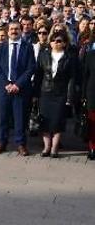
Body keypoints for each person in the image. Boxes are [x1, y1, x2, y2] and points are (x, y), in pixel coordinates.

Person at [0, 21, 36, 156]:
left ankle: (21, 144)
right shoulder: (1, 47)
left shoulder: (27, 47)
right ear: (7, 31)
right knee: (3, 116)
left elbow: (31, 68)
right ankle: (2, 142)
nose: (14, 31)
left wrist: (18, 84)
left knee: (20, 117)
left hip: (21, 88)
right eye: (11, 29)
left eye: (16, 29)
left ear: (21, 30)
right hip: (4, 87)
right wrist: (6, 83)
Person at [36, 30, 78, 158]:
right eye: (53, 40)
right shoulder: (44, 55)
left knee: (57, 121)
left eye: (59, 41)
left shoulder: (69, 58)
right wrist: (35, 94)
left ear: (64, 43)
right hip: (46, 92)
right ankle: (46, 147)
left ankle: (54, 148)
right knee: (45, 122)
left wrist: (69, 96)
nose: (55, 43)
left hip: (60, 94)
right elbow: (38, 75)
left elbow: (72, 78)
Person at [81, 37, 95, 160]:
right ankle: (92, 148)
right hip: (92, 94)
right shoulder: (90, 55)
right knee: (92, 123)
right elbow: (85, 77)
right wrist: (83, 96)